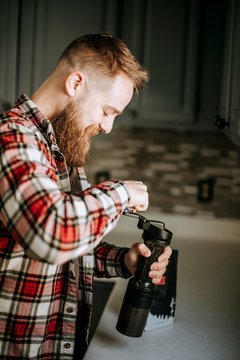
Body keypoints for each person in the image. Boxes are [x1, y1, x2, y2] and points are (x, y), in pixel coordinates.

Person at [0, 33, 172, 359]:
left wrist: (124, 261)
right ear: (76, 83)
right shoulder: (13, 137)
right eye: (107, 111)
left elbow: (67, 256)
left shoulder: (59, 145)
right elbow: (52, 234)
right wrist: (121, 192)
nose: (107, 127)